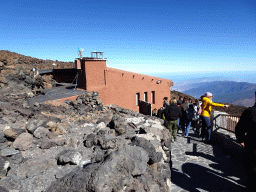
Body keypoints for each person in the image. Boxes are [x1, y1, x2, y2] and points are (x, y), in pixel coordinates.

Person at [235, 102, 256, 191]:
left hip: (252, 144)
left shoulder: (250, 111)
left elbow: (239, 128)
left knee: (251, 168)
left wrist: (241, 140)